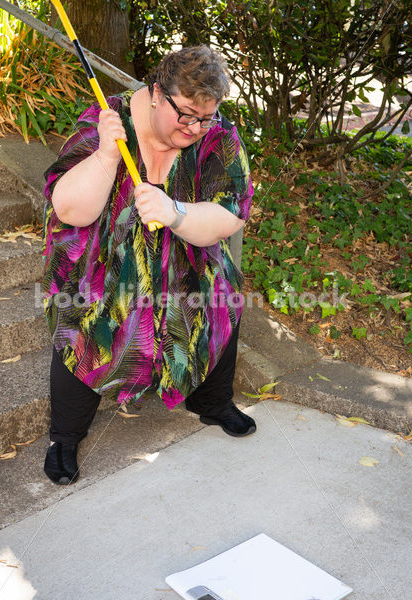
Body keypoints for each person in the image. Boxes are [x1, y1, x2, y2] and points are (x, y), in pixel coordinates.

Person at [41, 45, 256, 485]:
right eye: (187, 115)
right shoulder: (107, 121)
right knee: (87, 317)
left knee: (218, 297)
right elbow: (68, 208)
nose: (196, 128)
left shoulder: (219, 136)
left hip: (185, 243)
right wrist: (106, 156)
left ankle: (211, 401)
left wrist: (174, 211)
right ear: (157, 93)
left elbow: (231, 213)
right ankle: (64, 436)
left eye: (206, 117)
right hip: (106, 255)